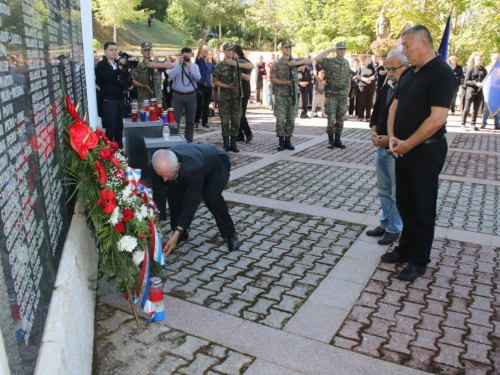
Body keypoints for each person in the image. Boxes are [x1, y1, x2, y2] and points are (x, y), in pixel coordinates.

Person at [384, 25, 456, 281]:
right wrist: (393, 138)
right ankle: (405, 248)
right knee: (405, 202)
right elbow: (396, 107)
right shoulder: (410, 73)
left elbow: (437, 119)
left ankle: (419, 260)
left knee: (422, 208)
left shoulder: (442, 74)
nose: (404, 51)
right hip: (403, 150)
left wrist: (408, 144)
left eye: (407, 45)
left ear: (424, 44)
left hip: (425, 152)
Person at [148, 144, 240, 255]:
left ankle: (230, 233)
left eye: (167, 175)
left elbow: (192, 201)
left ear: (177, 166)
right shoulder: (155, 167)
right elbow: (158, 196)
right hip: (194, 163)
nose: (164, 179)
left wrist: (178, 230)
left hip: (216, 165)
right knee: (173, 192)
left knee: (212, 198)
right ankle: (182, 234)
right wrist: (157, 225)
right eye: (161, 175)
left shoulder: (192, 168)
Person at [367, 49, 407, 245]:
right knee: (384, 190)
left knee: (395, 193)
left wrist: (389, 139)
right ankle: (385, 222)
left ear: (405, 66)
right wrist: (374, 132)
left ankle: (394, 228)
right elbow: (376, 113)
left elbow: (408, 123)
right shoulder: (387, 86)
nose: (390, 73)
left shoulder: (408, 89)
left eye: (393, 69)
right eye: (387, 68)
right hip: (381, 149)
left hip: (396, 150)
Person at [151, 48, 201, 142]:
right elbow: (170, 76)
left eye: (188, 57)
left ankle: (189, 140)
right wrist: (179, 65)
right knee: (175, 119)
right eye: (185, 56)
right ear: (181, 56)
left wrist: (189, 66)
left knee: (190, 120)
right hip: (178, 95)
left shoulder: (195, 66)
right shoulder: (175, 65)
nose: (186, 58)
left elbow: (198, 78)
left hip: (191, 95)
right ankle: (174, 139)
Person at [212, 42, 254, 152]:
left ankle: (234, 143)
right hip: (225, 98)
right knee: (225, 121)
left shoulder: (238, 62)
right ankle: (226, 143)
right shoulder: (220, 65)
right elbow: (215, 81)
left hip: (237, 97)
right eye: (228, 50)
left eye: (232, 50)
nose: (230, 52)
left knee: (236, 120)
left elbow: (251, 66)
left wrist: (238, 65)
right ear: (224, 52)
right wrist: (226, 86)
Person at [271, 40, 312, 151]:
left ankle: (288, 140)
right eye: (286, 47)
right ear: (282, 49)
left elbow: (309, 60)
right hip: (281, 96)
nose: (288, 49)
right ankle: (281, 141)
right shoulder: (277, 63)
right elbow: (273, 79)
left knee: (290, 119)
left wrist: (296, 63)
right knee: (280, 119)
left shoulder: (294, 61)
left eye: (289, 47)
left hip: (292, 95)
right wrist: (284, 83)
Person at [314, 42, 351, 149]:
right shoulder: (329, 62)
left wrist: (348, 91)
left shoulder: (346, 63)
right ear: (336, 50)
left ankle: (338, 139)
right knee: (331, 118)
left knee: (340, 118)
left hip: (342, 94)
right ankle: (331, 140)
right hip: (331, 94)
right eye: (340, 49)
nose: (342, 51)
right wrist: (329, 50)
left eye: (344, 49)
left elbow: (349, 78)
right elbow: (316, 59)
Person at [95, 41, 127, 148]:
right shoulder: (102, 64)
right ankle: (108, 153)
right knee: (111, 129)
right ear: (105, 51)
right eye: (111, 50)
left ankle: (120, 152)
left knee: (119, 129)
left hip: (120, 99)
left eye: (115, 49)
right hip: (109, 100)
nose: (114, 52)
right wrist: (119, 69)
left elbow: (122, 79)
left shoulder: (117, 63)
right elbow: (108, 78)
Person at [131, 42, 170, 106]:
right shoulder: (138, 65)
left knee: (157, 115)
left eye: (149, 50)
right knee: (144, 115)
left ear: (152, 51)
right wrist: (145, 86)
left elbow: (170, 65)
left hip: (157, 97)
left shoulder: (157, 63)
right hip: (143, 98)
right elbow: (133, 81)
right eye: (145, 50)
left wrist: (155, 65)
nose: (147, 52)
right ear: (141, 52)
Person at [234, 45, 255, 143]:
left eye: (233, 52)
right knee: (234, 113)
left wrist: (237, 72)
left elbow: (247, 77)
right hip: (234, 91)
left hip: (244, 90)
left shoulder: (245, 62)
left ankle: (248, 133)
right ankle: (239, 135)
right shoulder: (230, 62)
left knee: (240, 113)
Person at [461, 53, 487, 131]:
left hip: (479, 92)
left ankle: (473, 124)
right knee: (467, 108)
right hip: (471, 91)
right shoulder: (471, 69)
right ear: (475, 60)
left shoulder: (484, 70)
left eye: (481, 60)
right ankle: (463, 123)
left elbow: (486, 80)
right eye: (478, 59)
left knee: (475, 110)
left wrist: (483, 84)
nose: (479, 61)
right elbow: (466, 81)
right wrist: (476, 83)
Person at [194, 34, 214, 129]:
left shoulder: (210, 63)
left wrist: (212, 86)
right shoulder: (199, 61)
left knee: (206, 105)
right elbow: (198, 52)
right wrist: (203, 40)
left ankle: (205, 122)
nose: (205, 53)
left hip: (208, 86)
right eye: (204, 51)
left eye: (207, 51)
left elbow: (210, 75)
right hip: (200, 85)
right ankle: (196, 121)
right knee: (200, 104)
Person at [481, 53, 500, 130]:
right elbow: (483, 79)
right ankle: (483, 123)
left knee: (497, 107)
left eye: (498, 58)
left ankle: (497, 124)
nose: (496, 60)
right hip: (488, 91)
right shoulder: (487, 68)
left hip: (497, 91)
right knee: (486, 107)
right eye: (495, 58)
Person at [356, 55, 377, 122]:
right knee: (361, 101)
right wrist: (365, 79)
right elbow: (358, 76)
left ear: (366, 59)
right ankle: (360, 116)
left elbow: (375, 74)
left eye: (363, 59)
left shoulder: (370, 66)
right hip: (362, 86)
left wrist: (369, 79)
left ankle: (368, 116)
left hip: (371, 86)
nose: (362, 61)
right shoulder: (359, 68)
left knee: (369, 101)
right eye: (361, 60)